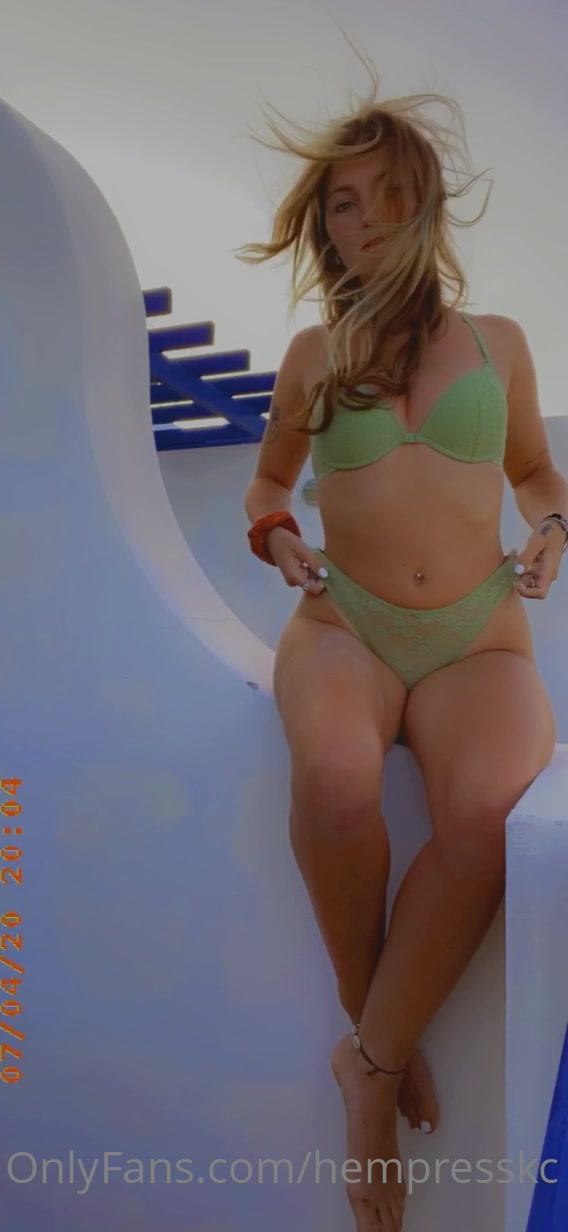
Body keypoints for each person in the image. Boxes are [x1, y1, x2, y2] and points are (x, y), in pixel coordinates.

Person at [238, 45, 567, 1232]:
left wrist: (554, 528)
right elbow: (268, 484)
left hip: (479, 632)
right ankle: (372, 1026)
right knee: (335, 777)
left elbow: (536, 476)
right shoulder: (313, 357)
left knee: (488, 817)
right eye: (342, 200)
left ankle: (365, 1068)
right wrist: (278, 536)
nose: (365, 218)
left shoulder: (501, 342)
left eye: (386, 193)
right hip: (348, 622)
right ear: (323, 224)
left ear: (423, 203)